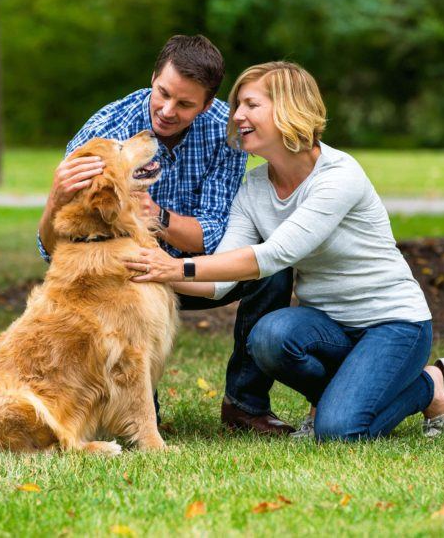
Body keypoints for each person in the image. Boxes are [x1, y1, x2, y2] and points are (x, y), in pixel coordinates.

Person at [125, 61, 444, 441]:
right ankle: (343, 395)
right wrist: (144, 269)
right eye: (238, 104)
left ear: (290, 109)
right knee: (269, 337)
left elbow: (272, 255)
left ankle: (433, 385)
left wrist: (177, 269)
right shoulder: (254, 188)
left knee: (340, 432)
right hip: (326, 327)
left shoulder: (339, 176)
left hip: (392, 324)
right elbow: (222, 282)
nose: (237, 114)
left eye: (251, 105)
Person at [37, 35, 296, 435]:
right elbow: (52, 249)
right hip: (128, 279)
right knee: (143, 419)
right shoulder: (108, 129)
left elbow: (216, 235)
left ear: (208, 104)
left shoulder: (226, 134)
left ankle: (245, 404)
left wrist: (159, 217)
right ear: (154, 77)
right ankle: (134, 410)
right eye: (163, 94)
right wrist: (56, 198)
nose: (168, 110)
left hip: (194, 273)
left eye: (185, 104)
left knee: (270, 269)